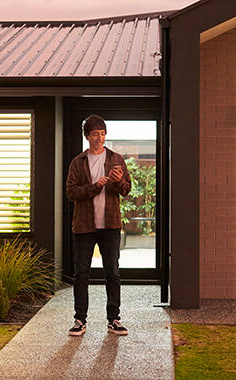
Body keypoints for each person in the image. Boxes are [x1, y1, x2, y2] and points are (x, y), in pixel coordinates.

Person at [65, 114, 131, 337]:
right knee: (81, 273)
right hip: (84, 226)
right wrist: (94, 187)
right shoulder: (78, 162)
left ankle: (114, 319)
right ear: (87, 136)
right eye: (95, 134)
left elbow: (126, 189)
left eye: (102, 134)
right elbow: (71, 193)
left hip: (110, 225)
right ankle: (79, 320)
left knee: (112, 272)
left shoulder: (116, 159)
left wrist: (118, 180)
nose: (99, 138)